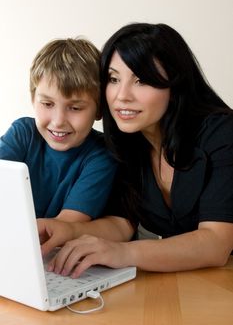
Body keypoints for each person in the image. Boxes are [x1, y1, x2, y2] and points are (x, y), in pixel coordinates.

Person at [37, 23, 233, 277]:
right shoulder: (128, 142)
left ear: (175, 86)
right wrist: (66, 230)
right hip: (193, 282)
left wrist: (121, 253)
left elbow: (216, 243)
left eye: (140, 80)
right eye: (114, 79)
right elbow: (121, 222)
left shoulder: (221, 133)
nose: (122, 95)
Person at [0, 37, 117, 222]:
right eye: (47, 104)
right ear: (33, 100)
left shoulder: (102, 155)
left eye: (75, 108)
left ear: (100, 109)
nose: (58, 121)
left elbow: (65, 226)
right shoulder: (22, 133)